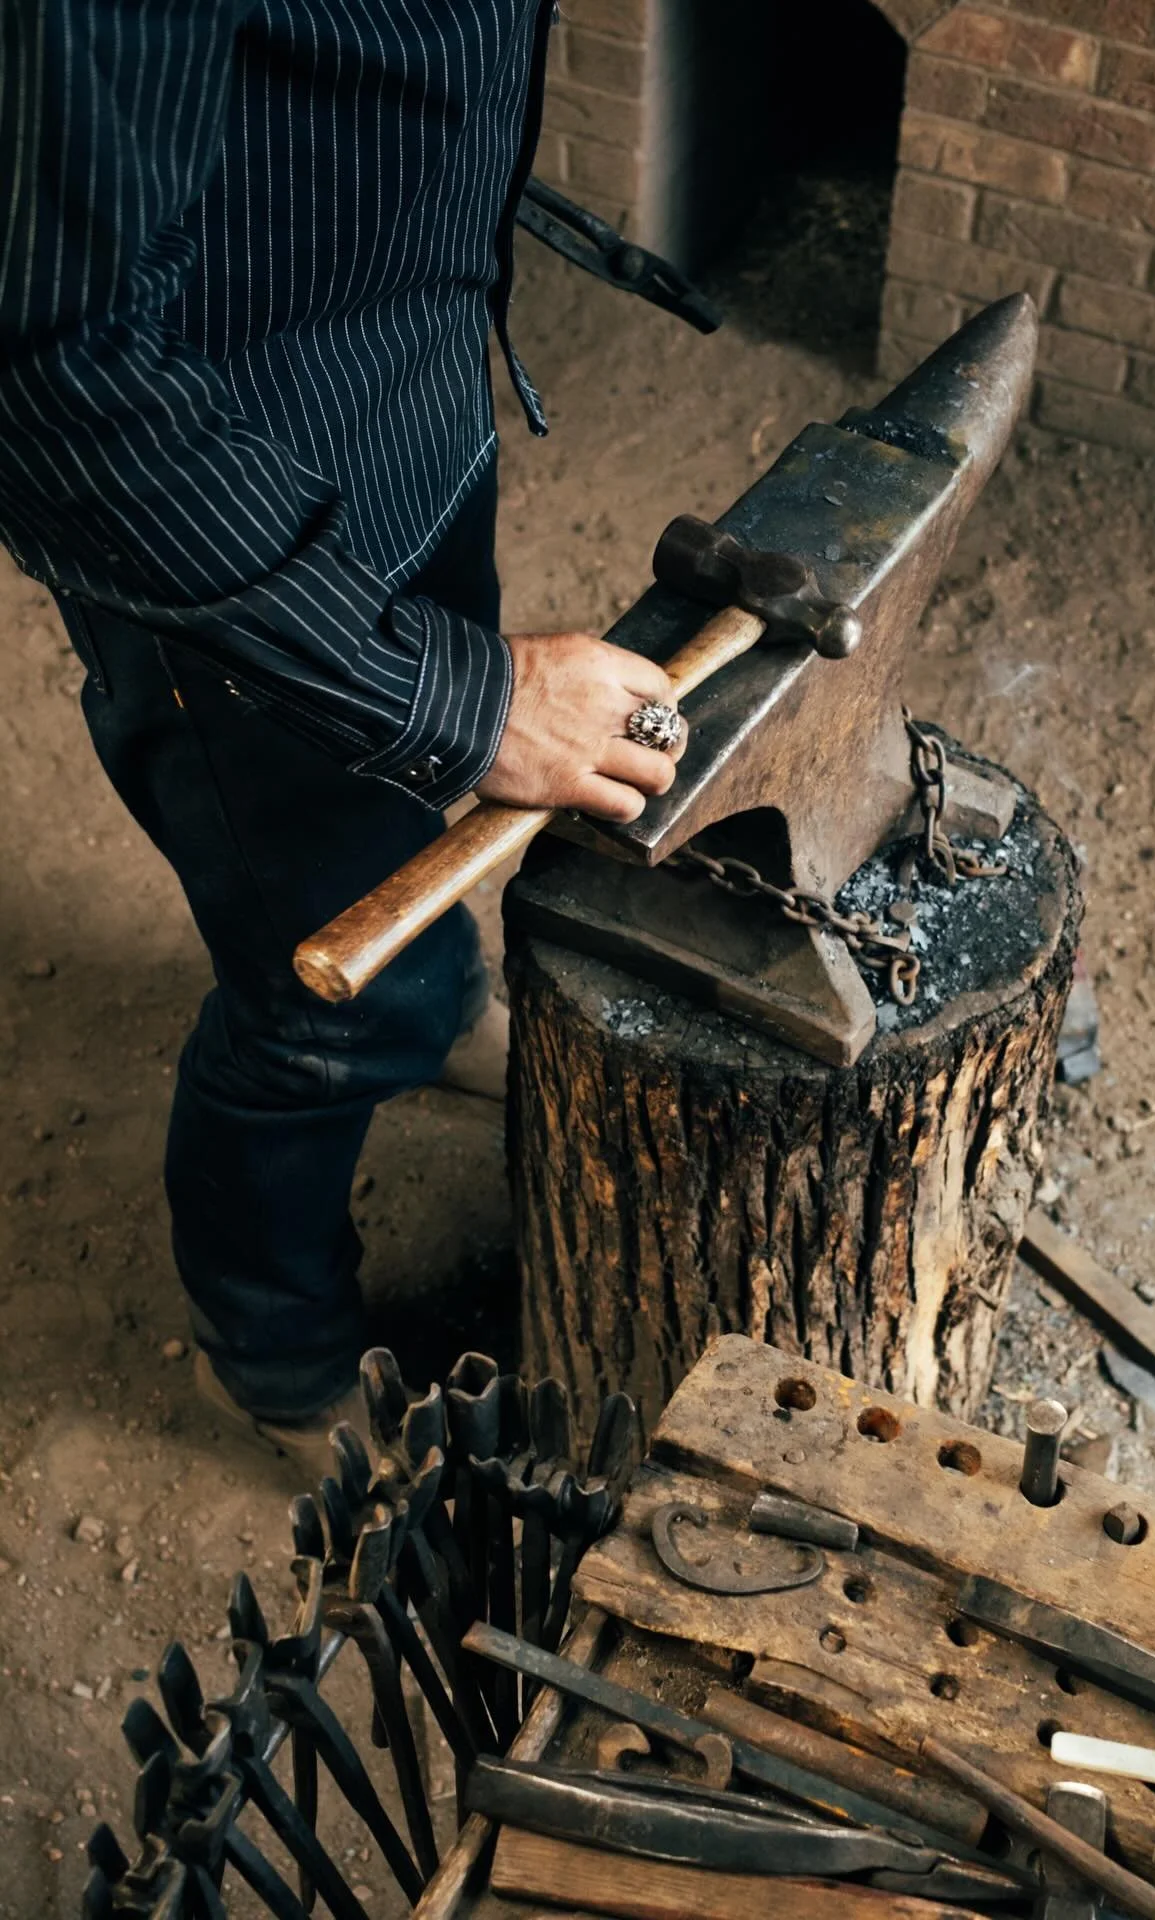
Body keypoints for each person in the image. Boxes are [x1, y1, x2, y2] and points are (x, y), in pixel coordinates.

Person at [0, 2, 686, 1477]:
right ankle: (279, 1353)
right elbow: (50, 379)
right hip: (218, 547)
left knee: (409, 859)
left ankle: (429, 1011)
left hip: (405, 414)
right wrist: (463, 698)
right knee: (314, 1005)